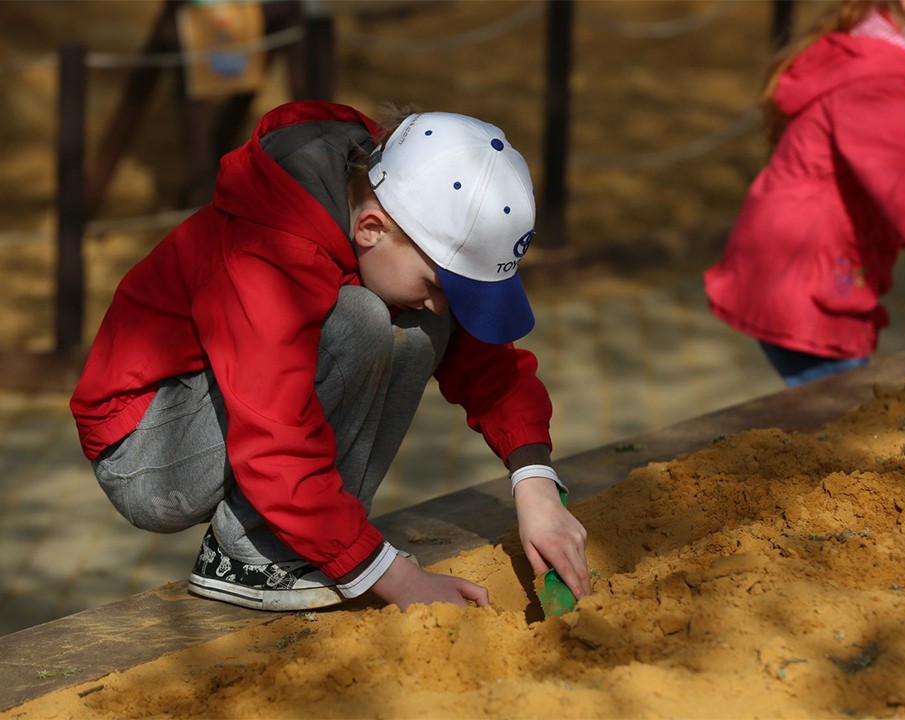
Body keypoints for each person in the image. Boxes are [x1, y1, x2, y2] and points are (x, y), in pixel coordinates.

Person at [70, 101, 591, 612]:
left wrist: (535, 484)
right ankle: (252, 554)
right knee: (361, 318)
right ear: (371, 228)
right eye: (437, 282)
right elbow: (275, 432)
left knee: (423, 324)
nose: (440, 300)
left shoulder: (381, 224)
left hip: (237, 418)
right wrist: (394, 576)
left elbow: (490, 363)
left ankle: (314, 547)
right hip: (145, 450)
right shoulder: (266, 252)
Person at [704, 0, 905, 387]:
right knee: (841, 422)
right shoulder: (876, 86)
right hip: (807, 286)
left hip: (815, 276)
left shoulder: (877, 62)